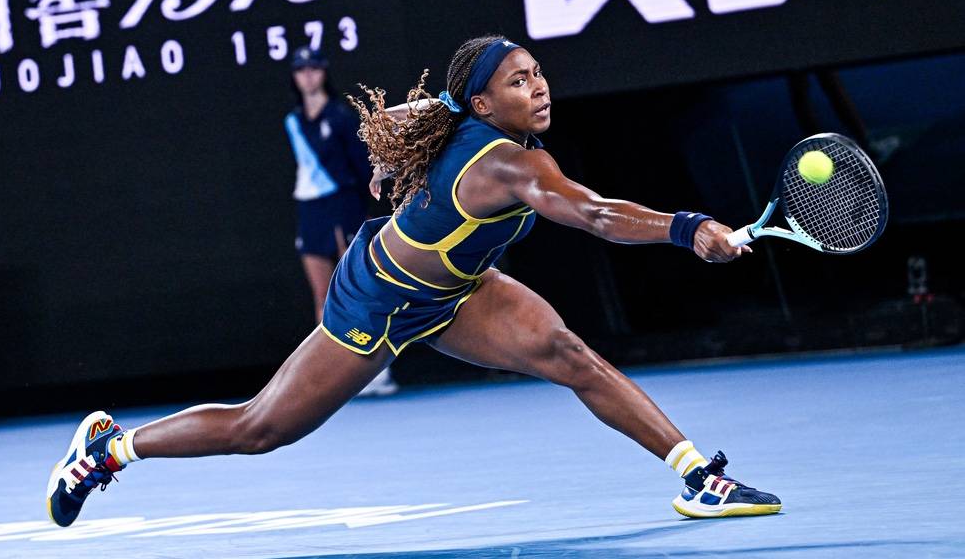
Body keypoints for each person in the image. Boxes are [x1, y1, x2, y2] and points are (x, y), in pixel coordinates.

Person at [45, 35, 780, 528]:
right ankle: (107, 450)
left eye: (538, 74)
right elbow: (591, 214)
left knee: (569, 356)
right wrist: (688, 229)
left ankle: (698, 477)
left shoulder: (459, 113)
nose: (537, 88)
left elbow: (400, 119)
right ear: (485, 105)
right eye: (517, 81)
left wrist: (391, 158)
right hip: (376, 296)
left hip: (457, 291)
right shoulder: (514, 165)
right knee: (261, 428)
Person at [285, 45, 397, 397]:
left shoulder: (340, 117)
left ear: (323, 73)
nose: (308, 75)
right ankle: (330, 378)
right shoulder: (293, 121)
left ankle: (374, 371)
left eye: (314, 69)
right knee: (321, 294)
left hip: (343, 205)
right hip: (310, 211)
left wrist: (360, 203)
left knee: (354, 288)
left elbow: (361, 167)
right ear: (295, 76)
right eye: (301, 70)